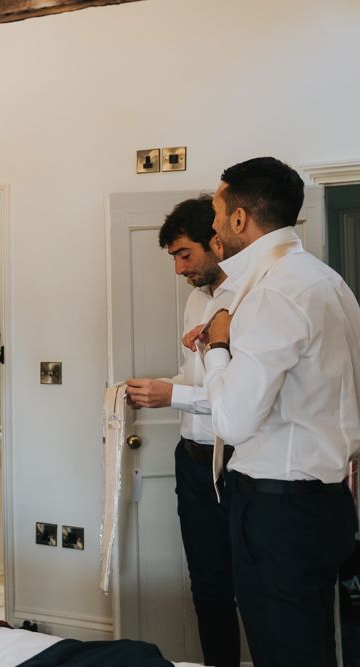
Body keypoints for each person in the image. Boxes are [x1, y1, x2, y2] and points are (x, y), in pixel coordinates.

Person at [199, 157, 360, 667]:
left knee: (286, 653)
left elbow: (233, 421)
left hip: (278, 509)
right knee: (313, 646)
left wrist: (217, 346)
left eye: (219, 216)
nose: (215, 228)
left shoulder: (272, 293)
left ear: (241, 218)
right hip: (328, 501)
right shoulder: (329, 283)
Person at [126, 196, 239, 667]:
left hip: (237, 462)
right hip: (190, 460)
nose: (178, 269)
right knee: (207, 585)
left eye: (184, 254)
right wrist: (156, 388)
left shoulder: (251, 299)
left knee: (253, 583)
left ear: (216, 242)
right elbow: (195, 377)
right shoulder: (197, 298)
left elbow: (241, 398)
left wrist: (170, 397)